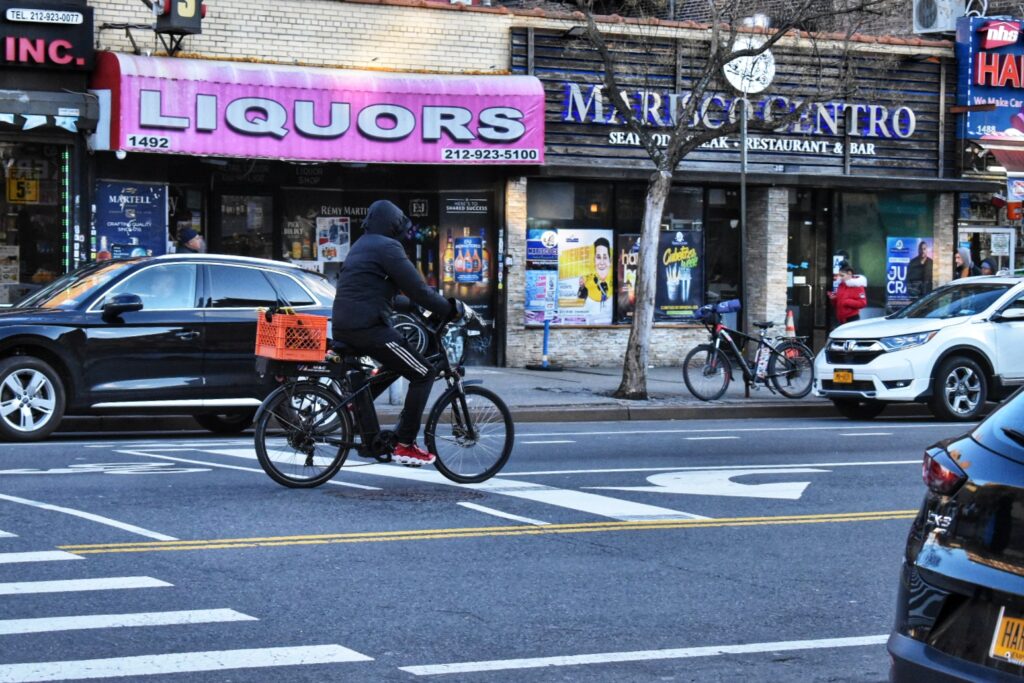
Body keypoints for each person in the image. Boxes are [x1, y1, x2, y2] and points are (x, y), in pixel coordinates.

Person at [332, 199, 461, 467]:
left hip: (347, 324)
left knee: (399, 364)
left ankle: (357, 405)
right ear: (393, 224)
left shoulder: (361, 245)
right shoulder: (388, 247)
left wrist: (412, 306)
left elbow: (376, 292)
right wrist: (450, 309)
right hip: (368, 327)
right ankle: (405, 444)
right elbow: (419, 289)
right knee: (424, 372)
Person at [576, 237, 612, 308]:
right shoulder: (587, 279)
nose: (601, 262)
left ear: (609, 260)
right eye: (598, 257)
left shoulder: (615, 278)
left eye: (605, 257)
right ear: (594, 259)